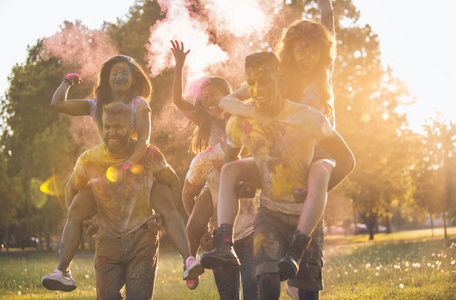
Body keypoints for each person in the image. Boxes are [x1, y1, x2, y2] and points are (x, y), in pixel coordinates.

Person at [201, 52, 355, 300]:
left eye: (264, 81)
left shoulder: (309, 117)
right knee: (268, 281)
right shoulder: (240, 122)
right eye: (252, 82)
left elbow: (347, 160)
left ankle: (297, 247)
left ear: (280, 79)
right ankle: (223, 244)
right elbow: (231, 162)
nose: (258, 88)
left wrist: (315, 191)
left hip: (305, 215)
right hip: (270, 214)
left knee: (307, 293)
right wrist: (243, 185)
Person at [41, 55, 202, 292]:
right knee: (76, 205)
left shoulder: (138, 103)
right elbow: (57, 105)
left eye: (124, 72)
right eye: (113, 72)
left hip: (137, 169)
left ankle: (188, 259)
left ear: (134, 78)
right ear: (106, 78)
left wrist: (127, 166)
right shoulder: (95, 105)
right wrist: (66, 81)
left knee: (164, 196)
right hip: (105, 173)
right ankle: (62, 270)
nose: (117, 75)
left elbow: (144, 139)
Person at [214, 1, 336, 297]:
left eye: (313, 49)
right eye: (300, 49)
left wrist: (325, 5)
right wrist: (256, 114)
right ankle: (222, 243)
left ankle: (296, 269)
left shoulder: (326, 75)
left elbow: (329, 25)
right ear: (290, 51)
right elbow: (228, 102)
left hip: (314, 161)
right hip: (275, 159)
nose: (307, 56)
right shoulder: (280, 78)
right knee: (231, 171)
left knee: (301, 278)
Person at [171, 40, 258, 298]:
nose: (210, 99)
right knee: (227, 294)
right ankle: (190, 259)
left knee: (254, 292)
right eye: (205, 96)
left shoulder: (241, 118)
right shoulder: (204, 120)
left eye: (216, 94)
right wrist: (179, 67)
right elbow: (177, 100)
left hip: (248, 217)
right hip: (216, 195)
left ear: (229, 95)